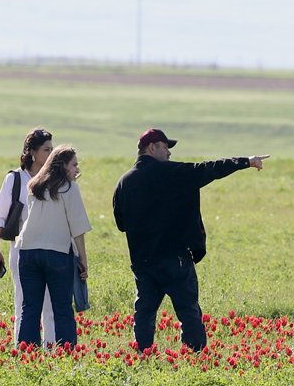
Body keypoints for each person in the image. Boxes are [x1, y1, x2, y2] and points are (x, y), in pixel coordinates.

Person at [112, 128, 269, 353]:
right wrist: (246, 162)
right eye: (165, 148)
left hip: (143, 261)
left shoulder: (124, 183)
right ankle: (194, 357)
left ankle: (142, 355)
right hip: (175, 259)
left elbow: (121, 224)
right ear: (152, 147)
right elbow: (209, 169)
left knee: (144, 313)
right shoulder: (173, 173)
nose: (169, 154)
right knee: (188, 312)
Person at [16, 145, 91, 348]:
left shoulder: (34, 185)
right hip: (57, 252)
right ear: (62, 166)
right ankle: (66, 352)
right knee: (62, 308)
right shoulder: (68, 187)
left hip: (28, 251)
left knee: (30, 307)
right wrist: (82, 259)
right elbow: (78, 228)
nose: (76, 169)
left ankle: (27, 352)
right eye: (74, 165)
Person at [0, 127, 56, 344]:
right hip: (21, 248)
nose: (51, 154)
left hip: (51, 247)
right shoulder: (15, 179)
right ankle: (24, 349)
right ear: (32, 152)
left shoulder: (54, 180)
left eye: (52, 150)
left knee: (50, 304)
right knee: (24, 303)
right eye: (46, 150)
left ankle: (51, 349)